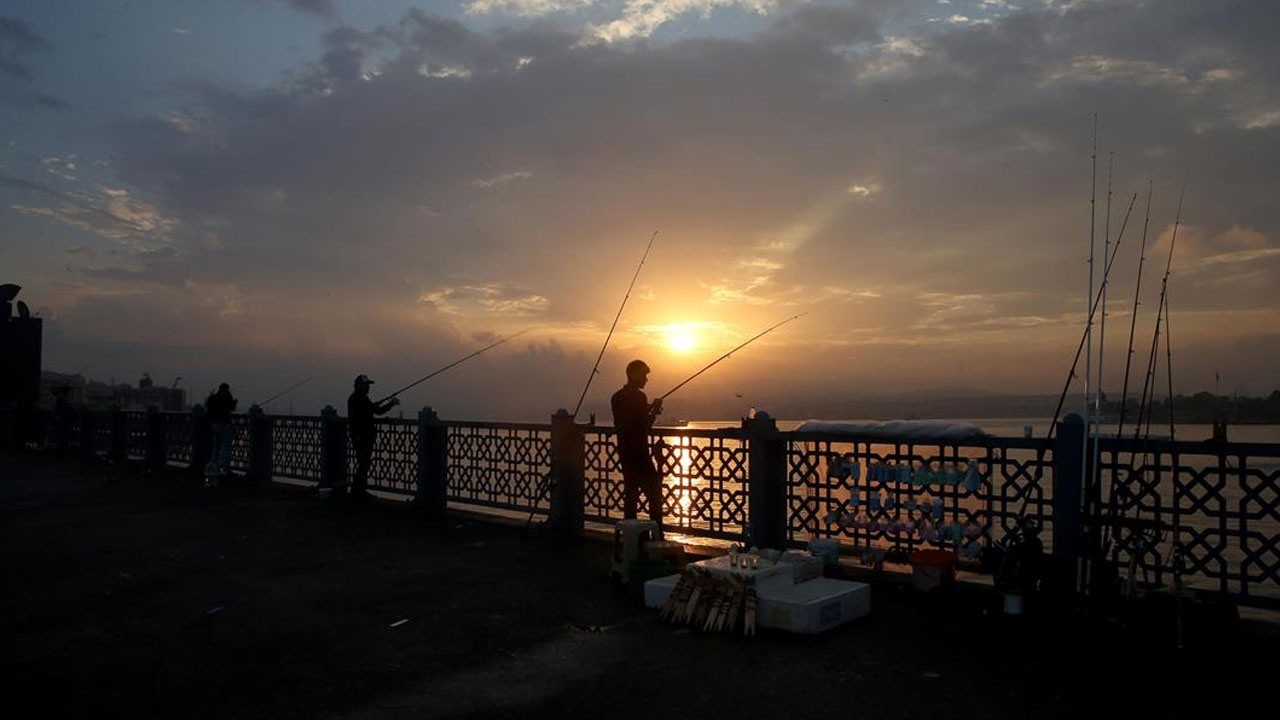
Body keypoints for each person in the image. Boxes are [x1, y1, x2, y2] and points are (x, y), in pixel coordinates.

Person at [610, 359, 664, 532]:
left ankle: (630, 539)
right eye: (644, 375)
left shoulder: (616, 397)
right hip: (640, 453)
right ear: (633, 374)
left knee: (631, 496)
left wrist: (646, 409)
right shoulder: (639, 397)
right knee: (654, 496)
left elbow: (627, 420)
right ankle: (657, 536)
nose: (646, 379)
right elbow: (644, 425)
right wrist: (654, 410)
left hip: (624, 453)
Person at [347, 374, 399, 503]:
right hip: (362, 438)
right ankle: (357, 493)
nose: (368, 387)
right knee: (363, 465)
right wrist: (391, 403)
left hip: (361, 437)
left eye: (368, 385)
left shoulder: (357, 398)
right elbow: (376, 411)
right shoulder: (359, 399)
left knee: (363, 464)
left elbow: (369, 411)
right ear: (359, 386)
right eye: (366, 385)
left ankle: (358, 491)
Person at [205, 382, 237, 477]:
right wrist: (234, 402)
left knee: (216, 448)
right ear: (226, 389)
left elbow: (209, 410)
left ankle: (214, 468)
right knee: (226, 448)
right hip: (225, 425)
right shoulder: (227, 396)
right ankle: (225, 470)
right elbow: (231, 408)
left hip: (215, 425)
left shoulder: (213, 398)